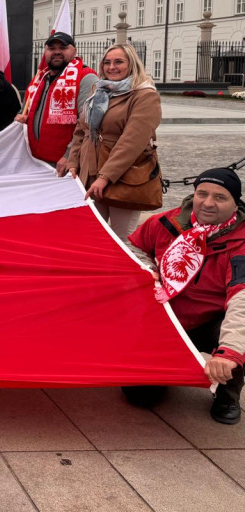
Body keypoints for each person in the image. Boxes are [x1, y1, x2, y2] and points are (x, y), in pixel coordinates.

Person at [124, 168, 245, 425]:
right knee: (139, 397)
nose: (208, 203)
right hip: (165, 316)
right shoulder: (165, 223)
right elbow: (133, 246)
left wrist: (229, 352)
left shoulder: (241, 241)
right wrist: (147, 268)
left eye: (220, 197)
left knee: (236, 341)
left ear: (236, 203)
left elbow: (241, 299)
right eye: (202, 194)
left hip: (213, 320)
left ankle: (227, 394)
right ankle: (170, 370)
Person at [67, 43, 162, 242]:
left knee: (122, 239)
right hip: (90, 174)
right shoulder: (98, 92)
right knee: (92, 235)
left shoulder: (144, 95)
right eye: (107, 62)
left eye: (119, 62)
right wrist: (73, 162)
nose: (112, 67)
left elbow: (132, 142)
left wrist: (106, 176)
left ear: (132, 65)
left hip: (124, 176)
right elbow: (81, 131)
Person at [16, 32, 98, 171]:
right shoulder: (39, 78)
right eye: (52, 48)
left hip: (66, 164)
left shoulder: (86, 78)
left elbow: (89, 124)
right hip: (35, 160)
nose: (57, 52)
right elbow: (25, 110)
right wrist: (22, 117)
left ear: (74, 51)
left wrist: (69, 156)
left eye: (63, 48)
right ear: (45, 52)